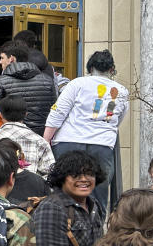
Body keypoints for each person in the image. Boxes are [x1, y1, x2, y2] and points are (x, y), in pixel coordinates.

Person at [44, 49, 128, 212]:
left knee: (64, 189)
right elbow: (118, 119)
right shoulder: (122, 91)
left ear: (90, 69)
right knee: (98, 191)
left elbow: (58, 112)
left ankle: (63, 223)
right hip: (102, 144)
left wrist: (46, 139)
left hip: (69, 142)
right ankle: (96, 229)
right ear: (111, 69)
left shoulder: (77, 83)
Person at [0, 95, 56, 178]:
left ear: (0, 114)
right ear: (26, 114)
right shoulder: (40, 141)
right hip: (31, 189)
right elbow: (50, 174)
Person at [0, 42, 56, 135]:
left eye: (2, 58)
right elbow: (54, 110)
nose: (0, 62)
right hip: (41, 135)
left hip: (10, 137)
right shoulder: (47, 80)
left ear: (12, 59)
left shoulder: (1, 81)